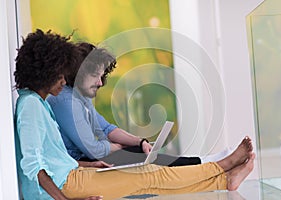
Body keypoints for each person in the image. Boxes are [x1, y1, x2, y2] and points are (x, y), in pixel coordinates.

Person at [14, 29, 255, 200]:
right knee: (147, 175)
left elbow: (52, 157)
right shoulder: (32, 106)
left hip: (72, 174)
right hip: (65, 184)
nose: (64, 80)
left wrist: (86, 164)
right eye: (60, 74)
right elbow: (33, 166)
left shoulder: (38, 102)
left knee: (146, 181)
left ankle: (223, 181)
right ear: (44, 73)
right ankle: (221, 165)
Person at [46, 42, 232, 167]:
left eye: (102, 76)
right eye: (96, 76)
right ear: (78, 72)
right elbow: (92, 149)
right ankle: (208, 164)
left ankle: (205, 162)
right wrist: (120, 147)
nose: (101, 83)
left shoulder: (80, 97)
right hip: (81, 161)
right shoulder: (65, 101)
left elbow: (107, 128)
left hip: (89, 156)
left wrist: (140, 141)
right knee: (136, 156)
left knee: (140, 151)